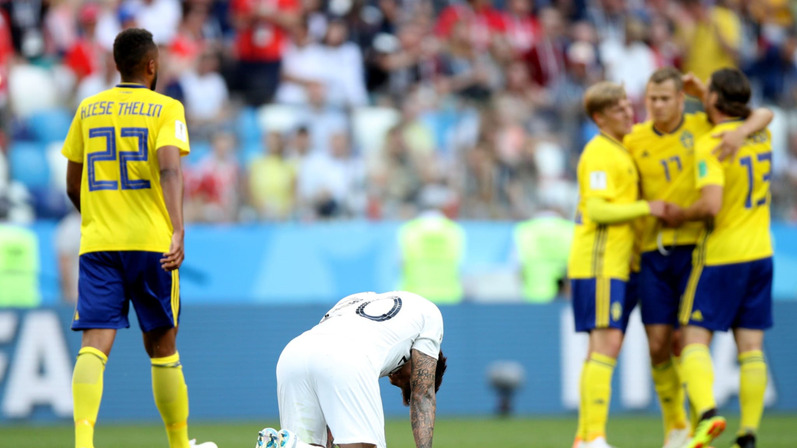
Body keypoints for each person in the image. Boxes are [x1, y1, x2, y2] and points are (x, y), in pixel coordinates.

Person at [60, 28, 215, 448]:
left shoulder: (88, 109)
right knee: (163, 348)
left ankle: (83, 442)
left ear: (116, 65)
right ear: (151, 65)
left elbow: (73, 184)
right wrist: (178, 228)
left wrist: (99, 217)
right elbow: (169, 170)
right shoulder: (166, 108)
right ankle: (180, 445)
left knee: (94, 345)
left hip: (99, 244)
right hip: (152, 244)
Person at [623, 67, 773, 448]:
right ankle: (748, 435)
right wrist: (725, 108)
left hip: (721, 254)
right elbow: (762, 112)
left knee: (691, 340)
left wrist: (676, 213)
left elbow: (710, 204)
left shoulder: (710, 140)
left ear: (712, 102)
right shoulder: (760, 132)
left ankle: (706, 415)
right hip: (762, 253)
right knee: (751, 347)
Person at [568, 82, 667, 448]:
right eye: (619, 108)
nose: (629, 111)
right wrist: (647, 207)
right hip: (600, 262)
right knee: (606, 344)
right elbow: (596, 209)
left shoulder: (618, 149)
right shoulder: (599, 153)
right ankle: (593, 437)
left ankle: (585, 436)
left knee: (600, 349)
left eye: (628, 104)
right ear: (599, 117)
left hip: (616, 263)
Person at [256, 290, 447, 448]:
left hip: (293, 355)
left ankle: (291, 445)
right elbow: (423, 394)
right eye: (407, 383)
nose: (393, 378)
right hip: (347, 356)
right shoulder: (430, 315)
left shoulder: (356, 299)